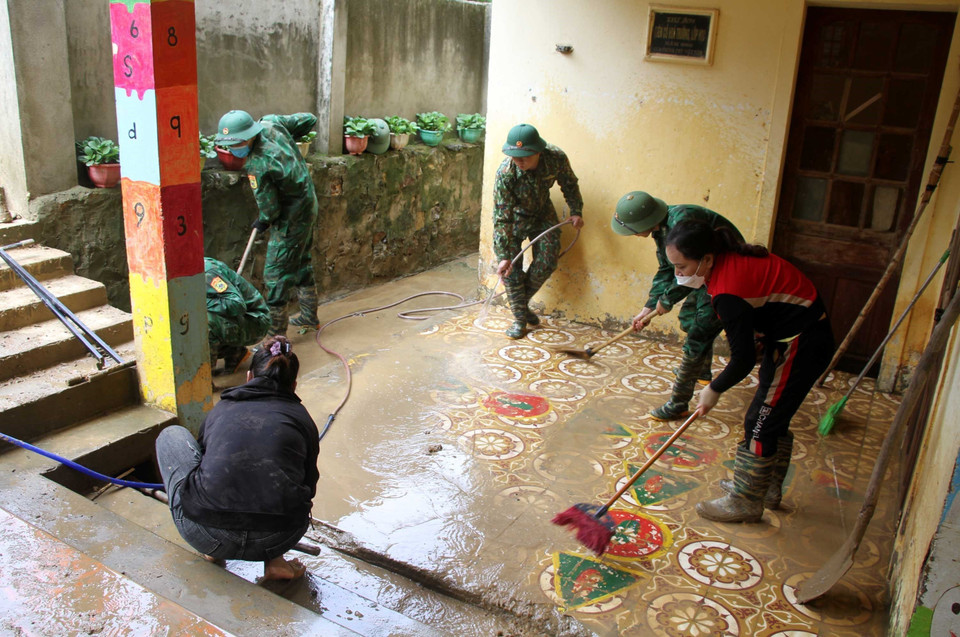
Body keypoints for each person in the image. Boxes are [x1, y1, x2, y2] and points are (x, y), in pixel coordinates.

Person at [663, 220, 834, 523]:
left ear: (706, 259)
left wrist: (713, 388)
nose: (679, 274)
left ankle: (746, 501)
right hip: (788, 337)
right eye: (674, 266)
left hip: (802, 343)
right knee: (772, 416)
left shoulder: (728, 290)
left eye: (682, 266)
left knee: (761, 421)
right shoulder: (725, 262)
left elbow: (742, 360)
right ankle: (763, 488)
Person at [154, 336, 320, 580]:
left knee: (171, 435)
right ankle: (276, 562)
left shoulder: (222, 408)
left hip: (205, 534)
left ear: (249, 377)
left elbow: (203, 460)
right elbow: (309, 485)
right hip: (278, 538)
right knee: (281, 480)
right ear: (294, 385)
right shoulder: (301, 418)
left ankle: (213, 553)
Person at [611, 191, 744, 421]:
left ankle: (678, 403)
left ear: (644, 222)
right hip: (703, 274)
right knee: (689, 319)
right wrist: (649, 307)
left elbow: (687, 271)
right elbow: (668, 269)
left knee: (698, 335)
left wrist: (667, 299)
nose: (632, 234)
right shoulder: (661, 229)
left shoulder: (681, 222)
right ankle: (701, 370)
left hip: (723, 276)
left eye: (632, 229)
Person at [215, 110, 320, 337]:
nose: (233, 149)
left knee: (275, 276)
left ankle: (275, 337)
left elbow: (271, 210)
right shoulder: (272, 123)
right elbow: (309, 119)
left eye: (237, 144)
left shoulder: (258, 164)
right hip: (309, 202)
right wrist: (288, 145)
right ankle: (309, 317)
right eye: (229, 145)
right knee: (301, 260)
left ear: (249, 136)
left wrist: (262, 221)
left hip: (291, 218)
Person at [493, 123, 585, 339]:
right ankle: (520, 319)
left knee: (547, 261)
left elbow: (570, 184)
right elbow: (502, 216)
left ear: (538, 152)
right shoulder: (506, 173)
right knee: (511, 271)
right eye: (515, 156)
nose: (519, 161)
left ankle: (521, 305)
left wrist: (576, 211)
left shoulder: (555, 158)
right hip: (514, 218)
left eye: (525, 157)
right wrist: (504, 255)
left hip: (543, 213)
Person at [204, 257, 269, 375]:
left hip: (256, 321)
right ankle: (234, 352)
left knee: (204, 323)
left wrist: (202, 302)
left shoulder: (207, 272)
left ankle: (205, 378)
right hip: (239, 320)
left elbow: (237, 305)